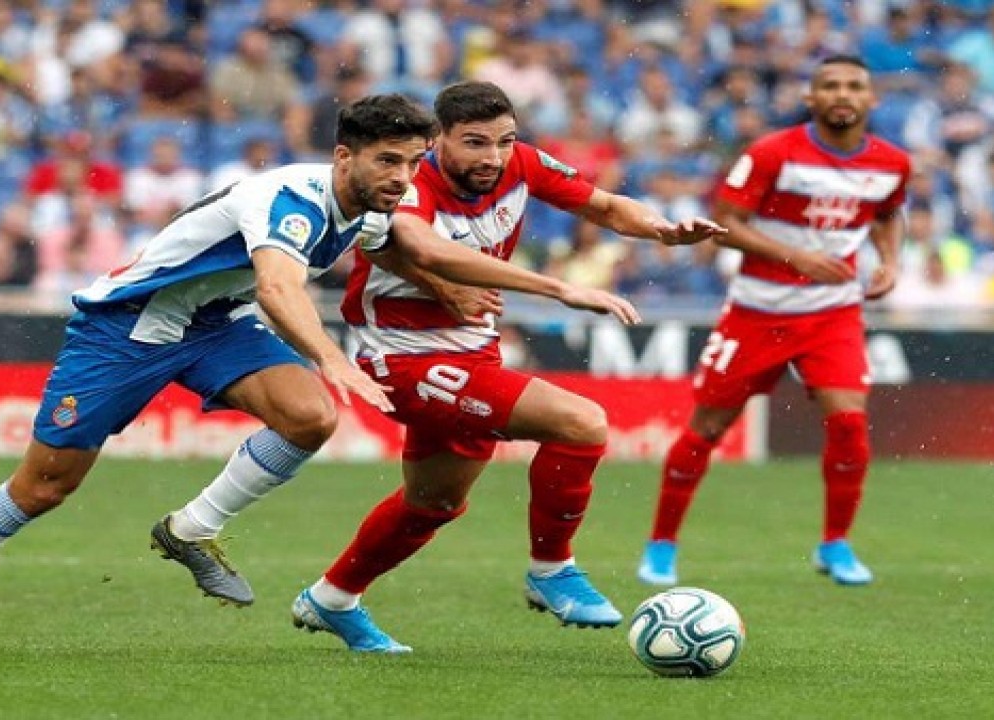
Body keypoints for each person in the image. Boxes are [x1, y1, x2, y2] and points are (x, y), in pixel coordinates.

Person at [0, 93, 638, 657]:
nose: (404, 176)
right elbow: (277, 286)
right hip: (126, 330)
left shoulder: (367, 206)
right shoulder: (292, 197)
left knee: (309, 417)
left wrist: (468, 287)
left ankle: (190, 528)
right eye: (386, 161)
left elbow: (409, 250)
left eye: (411, 161)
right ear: (345, 156)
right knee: (43, 488)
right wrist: (334, 359)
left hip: (214, 325)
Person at [291, 81, 725, 653]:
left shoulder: (519, 164)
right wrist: (557, 290)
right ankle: (551, 569)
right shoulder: (409, 180)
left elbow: (603, 205)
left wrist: (662, 228)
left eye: (504, 141)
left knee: (432, 503)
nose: (492, 158)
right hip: (400, 355)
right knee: (581, 423)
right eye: (474, 143)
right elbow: (423, 249)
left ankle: (332, 598)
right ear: (437, 140)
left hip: (472, 349)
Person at [637, 56, 912, 588]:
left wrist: (892, 261)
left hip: (833, 313)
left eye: (855, 86)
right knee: (708, 428)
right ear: (810, 98)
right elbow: (723, 225)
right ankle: (661, 544)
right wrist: (796, 257)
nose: (843, 94)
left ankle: (835, 544)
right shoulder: (772, 152)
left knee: (850, 422)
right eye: (830, 85)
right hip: (756, 313)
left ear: (871, 99)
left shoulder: (892, 163)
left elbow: (886, 213)